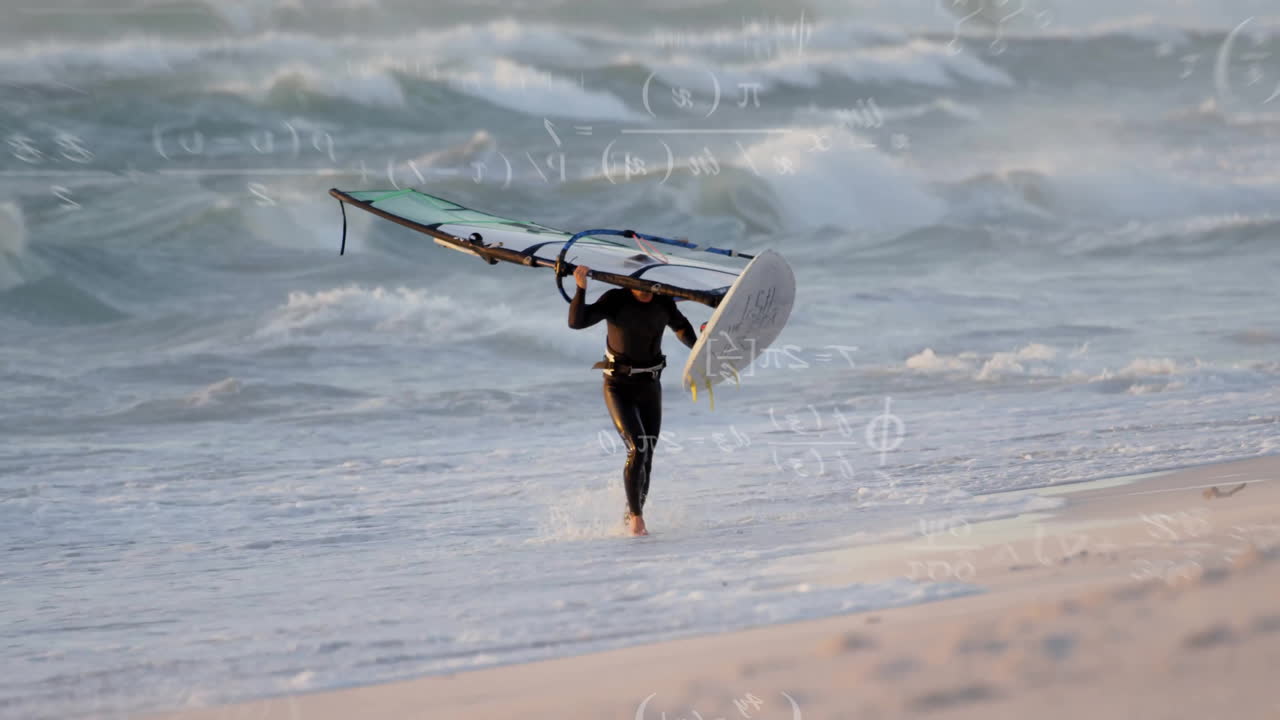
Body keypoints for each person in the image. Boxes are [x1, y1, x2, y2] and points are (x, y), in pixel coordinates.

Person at [568, 265, 697, 536]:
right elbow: (576, 322)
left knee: (647, 454)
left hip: (650, 384)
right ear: (629, 284)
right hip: (618, 385)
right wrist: (580, 288)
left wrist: (699, 347)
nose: (645, 291)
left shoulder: (663, 301)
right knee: (637, 449)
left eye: (650, 286)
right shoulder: (616, 299)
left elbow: (682, 328)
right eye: (640, 285)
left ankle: (632, 517)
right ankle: (637, 519)